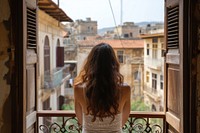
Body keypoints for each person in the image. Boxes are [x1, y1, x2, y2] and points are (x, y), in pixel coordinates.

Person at [74, 43, 131, 133]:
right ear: (114, 63)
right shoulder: (125, 89)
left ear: (90, 62)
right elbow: (123, 121)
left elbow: (81, 121)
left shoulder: (79, 89)